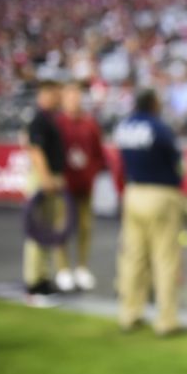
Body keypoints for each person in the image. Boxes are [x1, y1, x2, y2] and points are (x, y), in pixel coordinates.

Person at [113, 89, 185, 336]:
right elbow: (177, 161)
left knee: (133, 257)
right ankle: (166, 321)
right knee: (164, 259)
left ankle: (129, 314)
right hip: (160, 194)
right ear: (154, 103)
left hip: (133, 192)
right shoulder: (159, 127)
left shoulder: (124, 127)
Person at [54, 80, 106, 292]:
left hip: (85, 185)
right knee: (62, 227)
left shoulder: (90, 124)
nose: (74, 100)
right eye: (70, 96)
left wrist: (92, 173)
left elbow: (98, 153)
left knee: (85, 228)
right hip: (64, 185)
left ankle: (82, 268)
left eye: (77, 96)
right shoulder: (58, 124)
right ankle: (63, 269)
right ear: (63, 99)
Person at [23, 79, 67, 307]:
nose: (59, 98)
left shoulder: (50, 119)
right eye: (56, 93)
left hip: (51, 178)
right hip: (43, 179)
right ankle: (34, 283)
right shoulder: (39, 119)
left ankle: (44, 278)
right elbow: (36, 150)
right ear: (45, 94)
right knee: (37, 231)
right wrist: (46, 177)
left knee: (48, 231)